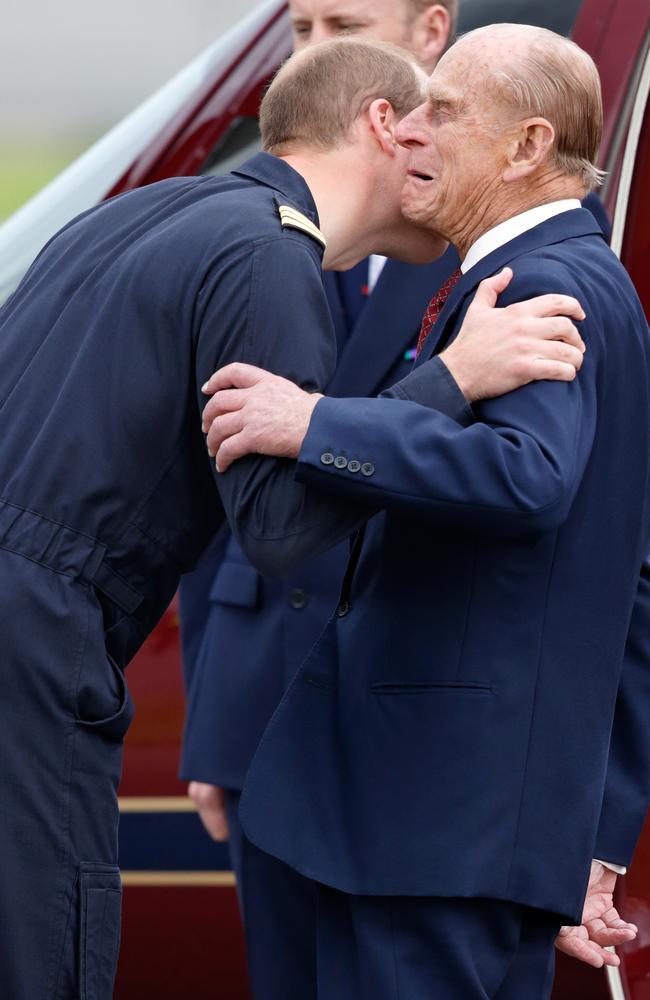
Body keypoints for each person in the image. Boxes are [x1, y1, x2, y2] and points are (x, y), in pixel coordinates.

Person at [0, 38, 587, 999]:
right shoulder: (271, 257)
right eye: (428, 126)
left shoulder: (142, 213)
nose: (440, 158)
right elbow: (279, 530)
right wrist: (455, 379)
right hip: (35, 639)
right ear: (380, 126)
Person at [202, 25, 649, 999]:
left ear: (526, 147)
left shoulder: (540, 280)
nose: (406, 130)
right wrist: (589, 827)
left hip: (434, 822)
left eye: (441, 111)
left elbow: (525, 475)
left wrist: (313, 422)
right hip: (467, 827)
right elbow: (630, 579)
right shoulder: (584, 277)